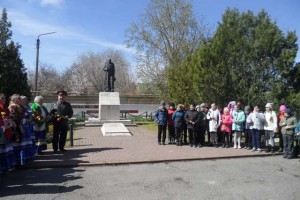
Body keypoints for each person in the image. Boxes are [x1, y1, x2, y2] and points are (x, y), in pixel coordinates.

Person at [0, 93, 16, 173]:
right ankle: (3, 167)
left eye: (5, 98)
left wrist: (11, 117)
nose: (4, 100)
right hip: (3, 129)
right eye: (2, 98)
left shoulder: (5, 107)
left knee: (7, 149)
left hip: (7, 129)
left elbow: (8, 115)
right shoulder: (0, 107)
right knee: (3, 150)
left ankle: (8, 165)